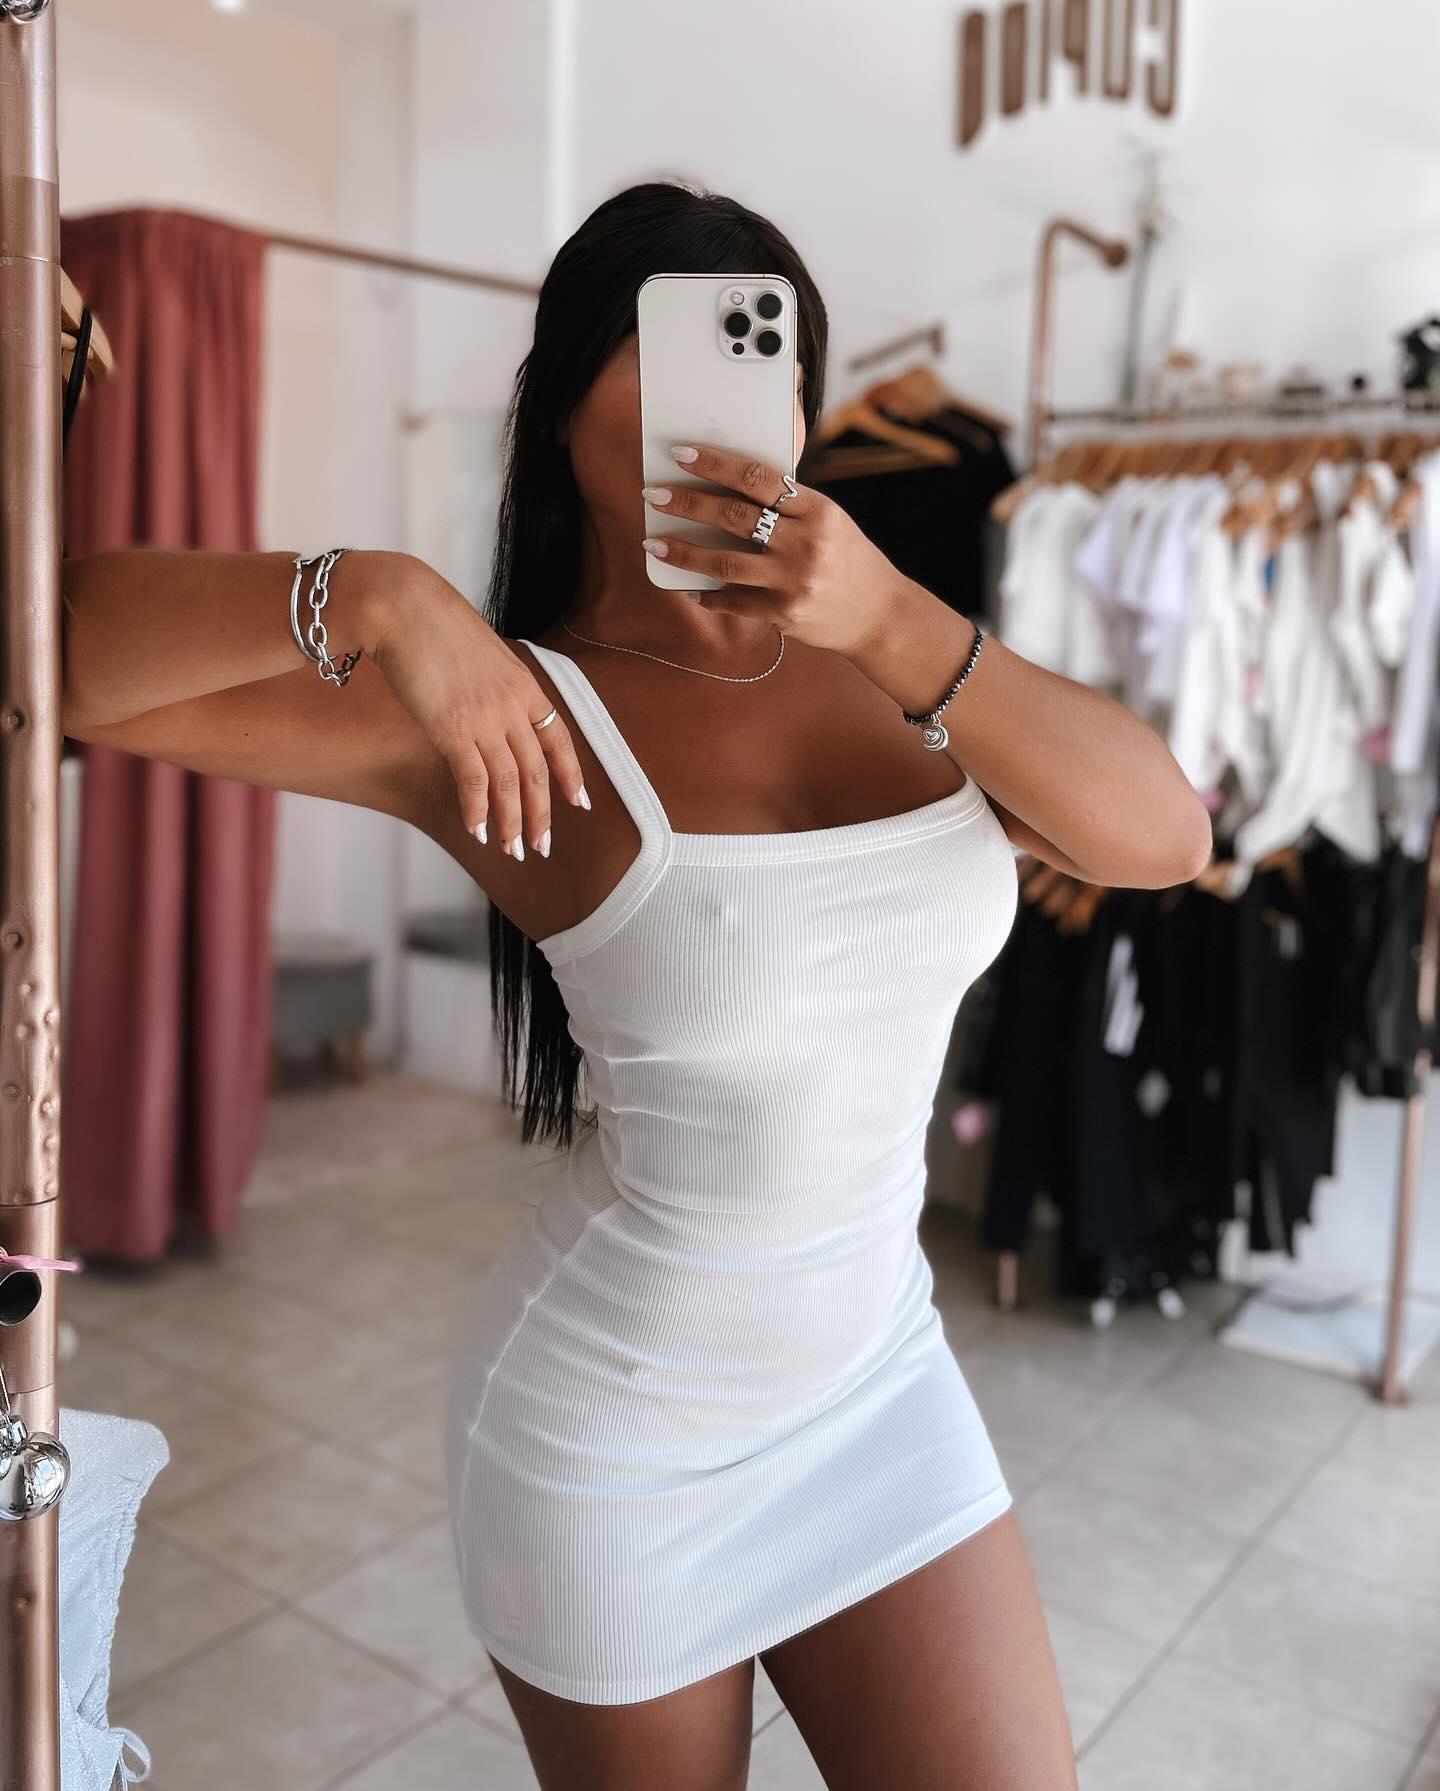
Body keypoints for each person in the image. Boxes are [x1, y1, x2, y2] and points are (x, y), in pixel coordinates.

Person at [61, 182, 1212, 1790]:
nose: (721, 406)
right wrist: (383, 594)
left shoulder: (910, 670)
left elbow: (1166, 837)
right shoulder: (504, 715)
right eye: (661, 353)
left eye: (763, 358)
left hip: (880, 1388)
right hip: (617, 1447)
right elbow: (59, 659)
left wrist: (891, 616)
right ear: (558, 407)